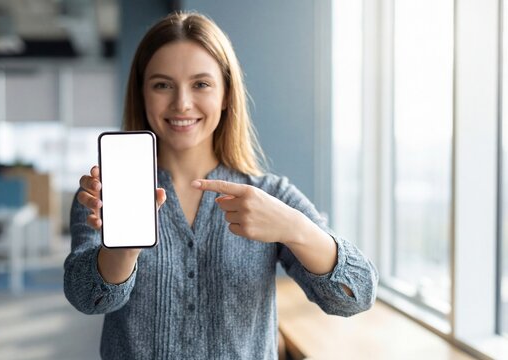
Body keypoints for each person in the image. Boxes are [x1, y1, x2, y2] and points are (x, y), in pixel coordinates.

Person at [64, 11, 378, 359]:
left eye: (201, 84)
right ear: (142, 94)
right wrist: (123, 247)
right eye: (162, 84)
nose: (182, 102)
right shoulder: (102, 196)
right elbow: (86, 298)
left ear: (227, 93)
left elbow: (356, 295)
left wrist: (295, 229)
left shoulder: (271, 195)